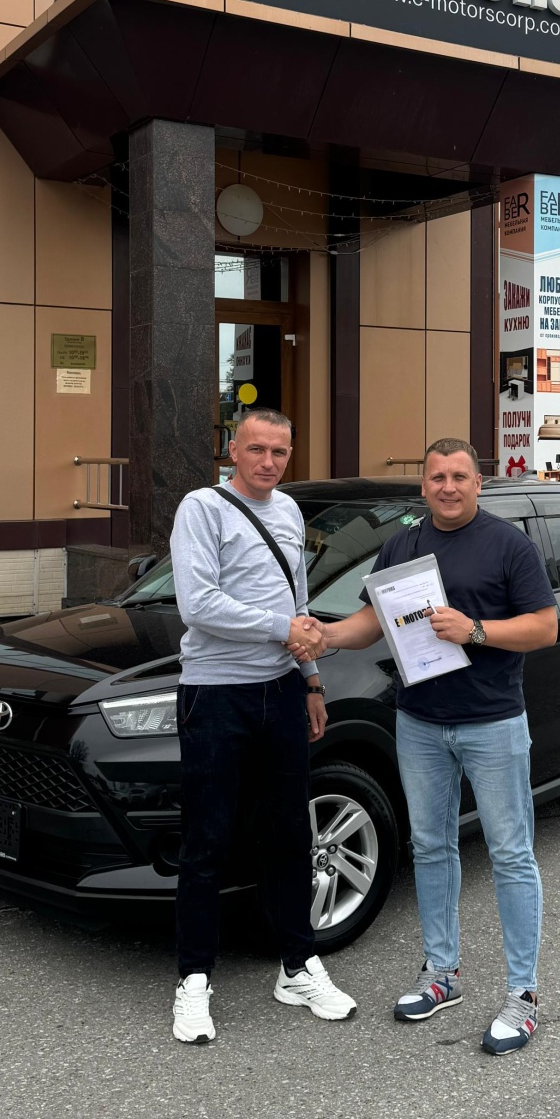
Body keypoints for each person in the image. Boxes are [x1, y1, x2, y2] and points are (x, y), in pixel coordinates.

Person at [316, 438, 557, 1055]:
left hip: (492, 723)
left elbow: (544, 627)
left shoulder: (508, 544)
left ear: (478, 483)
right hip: (420, 722)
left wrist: (474, 630)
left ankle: (524, 995)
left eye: (459, 476)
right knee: (429, 847)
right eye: (437, 478)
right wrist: (325, 636)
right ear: (422, 487)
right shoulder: (402, 546)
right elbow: (372, 620)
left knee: (510, 854)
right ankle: (441, 973)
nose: (448, 487)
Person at [166, 408, 357, 1043]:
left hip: (281, 690)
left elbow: (296, 602)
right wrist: (284, 630)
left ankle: (297, 966)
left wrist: (311, 680)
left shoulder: (290, 512)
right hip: (216, 694)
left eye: (279, 451)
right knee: (208, 839)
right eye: (256, 449)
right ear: (233, 450)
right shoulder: (202, 508)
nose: (268, 461)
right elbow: (198, 604)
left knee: (289, 835)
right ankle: (194, 978)